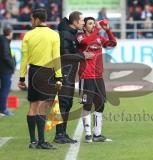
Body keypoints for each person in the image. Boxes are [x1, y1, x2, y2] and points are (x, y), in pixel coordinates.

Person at [18, 8, 62, 149]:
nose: (31, 21)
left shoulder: (28, 35)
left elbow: (24, 59)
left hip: (33, 71)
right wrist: (59, 77)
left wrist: (21, 78)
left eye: (32, 19)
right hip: (46, 72)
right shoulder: (54, 35)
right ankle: (41, 142)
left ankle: (32, 141)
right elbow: (56, 58)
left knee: (33, 106)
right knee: (42, 106)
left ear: (37, 19)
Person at [54, 11, 94, 144]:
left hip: (69, 73)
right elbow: (64, 56)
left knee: (67, 103)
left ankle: (63, 134)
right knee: (63, 103)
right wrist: (83, 56)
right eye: (82, 20)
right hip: (64, 73)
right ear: (75, 22)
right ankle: (59, 135)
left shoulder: (70, 34)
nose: (83, 23)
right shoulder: (66, 35)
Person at [77, 17, 117, 143]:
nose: (93, 25)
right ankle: (88, 134)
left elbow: (113, 43)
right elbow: (86, 42)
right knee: (87, 104)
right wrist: (97, 31)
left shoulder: (99, 37)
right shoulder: (80, 37)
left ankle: (97, 134)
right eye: (90, 23)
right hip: (86, 76)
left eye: (94, 23)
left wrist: (108, 30)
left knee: (100, 104)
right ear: (84, 26)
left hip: (98, 76)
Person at [0, 26, 15, 116]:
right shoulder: (4, 43)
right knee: (5, 89)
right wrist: (12, 66)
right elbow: (6, 56)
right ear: (10, 33)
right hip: (6, 69)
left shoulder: (3, 41)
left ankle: (2, 108)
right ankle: (3, 109)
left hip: (3, 68)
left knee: (4, 89)